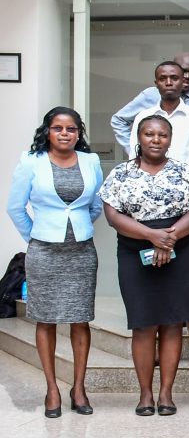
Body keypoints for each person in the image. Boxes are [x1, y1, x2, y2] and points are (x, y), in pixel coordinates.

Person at [100, 115, 189, 416]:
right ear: (139, 137)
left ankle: (166, 394)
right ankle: (145, 394)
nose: (156, 140)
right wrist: (151, 236)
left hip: (180, 250)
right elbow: (112, 215)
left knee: (172, 323)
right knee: (143, 324)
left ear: (170, 139)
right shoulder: (121, 173)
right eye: (149, 134)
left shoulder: (184, 171)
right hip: (134, 252)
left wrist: (168, 238)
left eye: (162, 135)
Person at [7, 108, 103, 418]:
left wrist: (78, 228)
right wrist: (36, 236)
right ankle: (51, 388)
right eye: (58, 128)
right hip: (44, 252)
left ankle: (79, 388)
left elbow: (96, 205)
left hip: (81, 251)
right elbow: (15, 208)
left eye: (71, 129)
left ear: (78, 133)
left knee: (80, 319)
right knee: (45, 319)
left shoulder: (90, 161)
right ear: (47, 131)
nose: (65, 133)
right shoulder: (30, 161)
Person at [111, 51, 189, 152]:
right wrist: (133, 150)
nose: (187, 77)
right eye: (184, 72)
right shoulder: (151, 95)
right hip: (155, 161)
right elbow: (118, 120)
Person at [128, 61, 189, 177]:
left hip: (185, 183)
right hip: (145, 183)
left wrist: (183, 183)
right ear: (156, 84)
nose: (169, 83)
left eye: (174, 78)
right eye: (163, 78)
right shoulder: (143, 117)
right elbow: (134, 155)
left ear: (183, 82)